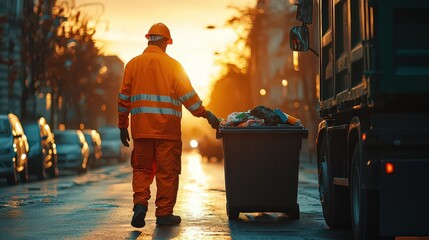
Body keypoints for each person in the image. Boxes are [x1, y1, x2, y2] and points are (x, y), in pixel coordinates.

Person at [117, 22, 220, 228]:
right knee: (167, 173)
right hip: (167, 133)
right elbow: (188, 97)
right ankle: (164, 215)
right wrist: (206, 114)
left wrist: (122, 125)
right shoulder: (174, 66)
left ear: (149, 39)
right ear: (166, 42)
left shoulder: (132, 65)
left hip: (142, 131)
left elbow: (123, 99)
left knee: (142, 170)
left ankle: (140, 205)